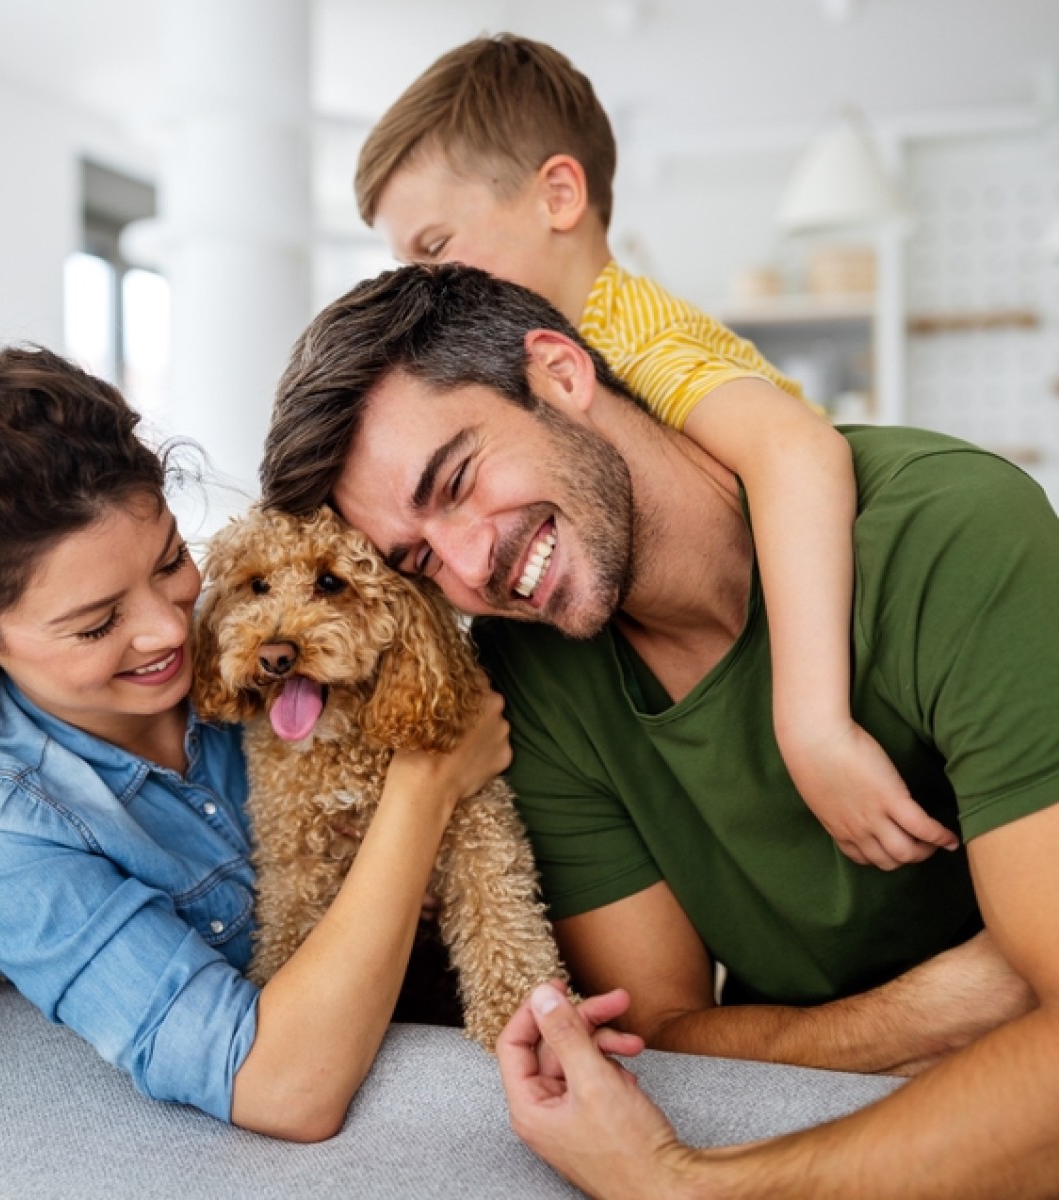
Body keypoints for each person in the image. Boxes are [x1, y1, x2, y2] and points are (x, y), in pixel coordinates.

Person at [260, 263, 1059, 1196]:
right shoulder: (534, 679)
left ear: (560, 372)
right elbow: (674, 1033)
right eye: (418, 559)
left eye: (460, 479)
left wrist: (686, 1186)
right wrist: (947, 1010)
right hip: (820, 1109)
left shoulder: (953, 536)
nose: (475, 567)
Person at [0, 345, 514, 1140]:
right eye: (98, 622)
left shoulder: (266, 641)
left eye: (172, 561)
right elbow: (281, 1090)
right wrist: (428, 783)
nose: (172, 629)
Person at [351, 33, 955, 871]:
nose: (422, 286)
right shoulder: (589, 338)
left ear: (559, 194)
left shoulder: (626, 328)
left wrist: (811, 726)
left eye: (432, 246)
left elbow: (797, 450)